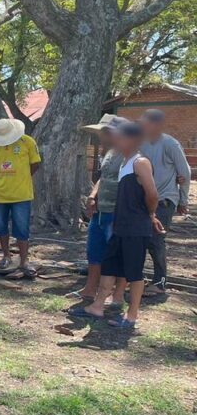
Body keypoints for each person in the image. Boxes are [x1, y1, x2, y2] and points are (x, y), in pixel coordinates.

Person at [68, 122, 165, 329]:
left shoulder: (140, 162)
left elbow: (152, 194)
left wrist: (149, 214)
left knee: (133, 271)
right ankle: (97, 306)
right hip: (120, 225)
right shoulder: (123, 163)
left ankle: (131, 316)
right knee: (110, 265)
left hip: (135, 227)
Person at [77, 115, 127, 308]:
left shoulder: (129, 154)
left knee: (116, 253)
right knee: (94, 251)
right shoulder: (109, 153)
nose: (100, 137)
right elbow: (103, 178)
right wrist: (93, 195)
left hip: (117, 212)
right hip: (100, 210)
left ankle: (117, 295)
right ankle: (90, 289)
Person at [139, 108, 190, 296]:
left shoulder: (170, 143)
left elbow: (184, 172)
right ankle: (137, 279)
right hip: (142, 199)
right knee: (139, 240)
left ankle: (160, 281)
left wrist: (182, 199)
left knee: (156, 239)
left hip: (164, 199)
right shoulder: (140, 143)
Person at [0, 117, 42, 277]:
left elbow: (35, 164)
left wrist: (21, 178)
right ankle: (6, 256)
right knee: (0, 227)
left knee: (22, 228)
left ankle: (24, 260)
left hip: (21, 194)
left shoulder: (27, 142)